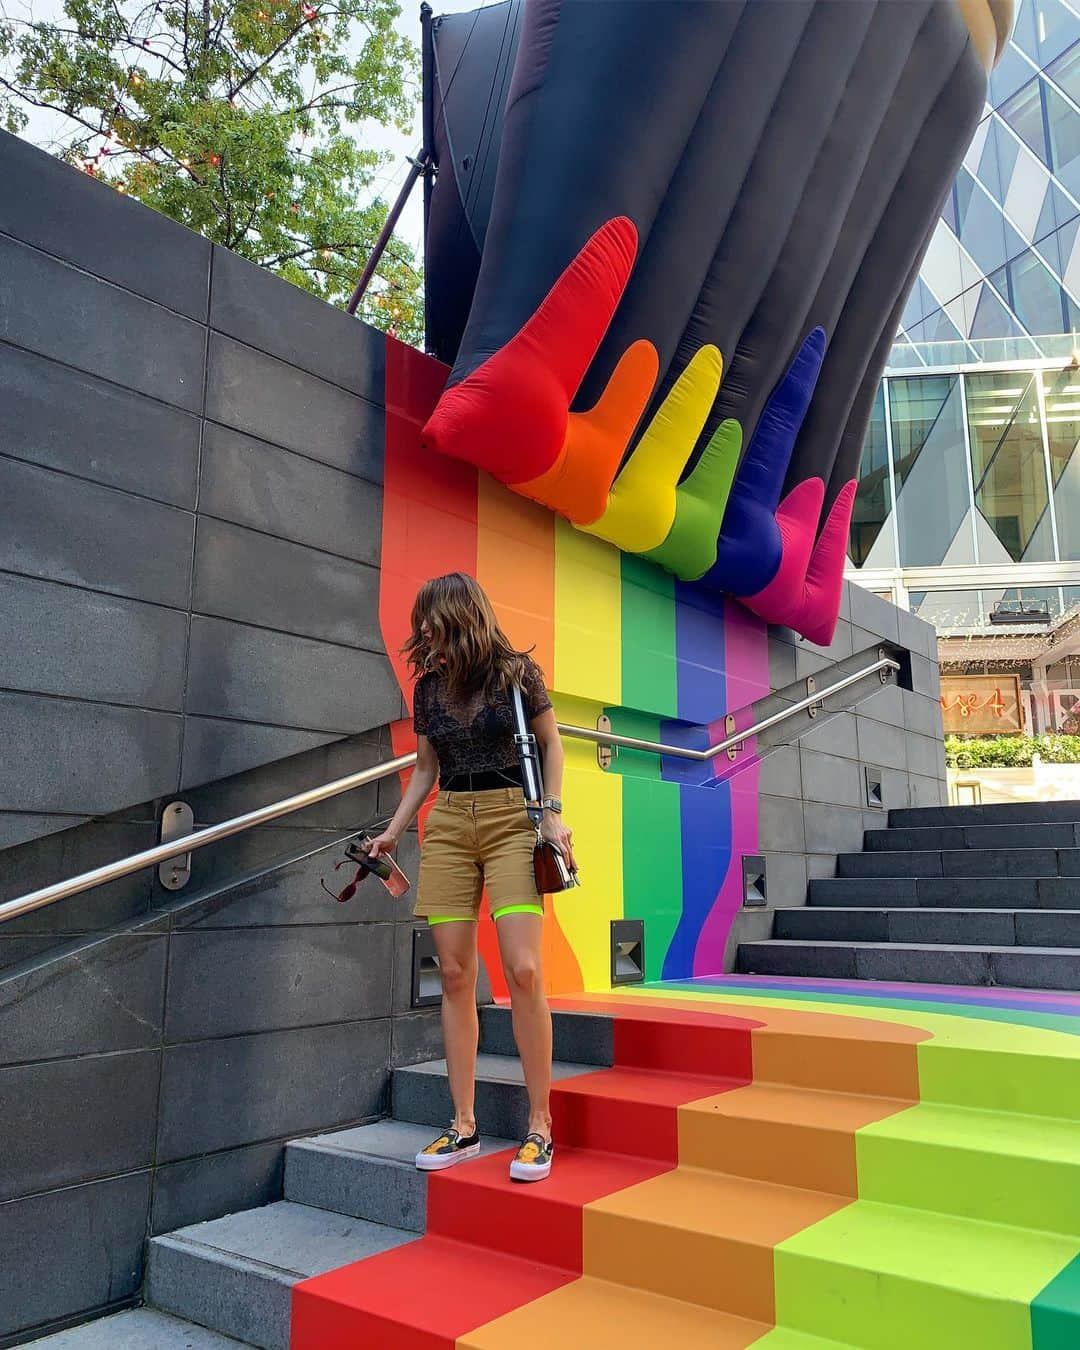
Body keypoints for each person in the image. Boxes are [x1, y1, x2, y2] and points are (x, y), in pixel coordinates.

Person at [365, 572, 575, 1183]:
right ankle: (464, 1125)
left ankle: (540, 1125)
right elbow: (426, 768)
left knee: (524, 968)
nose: (423, 629)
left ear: (461, 613)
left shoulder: (515, 674)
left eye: (431, 617)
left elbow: (552, 743)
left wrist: (552, 814)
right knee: (455, 974)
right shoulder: (429, 688)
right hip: (452, 822)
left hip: (514, 817)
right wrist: (395, 830)